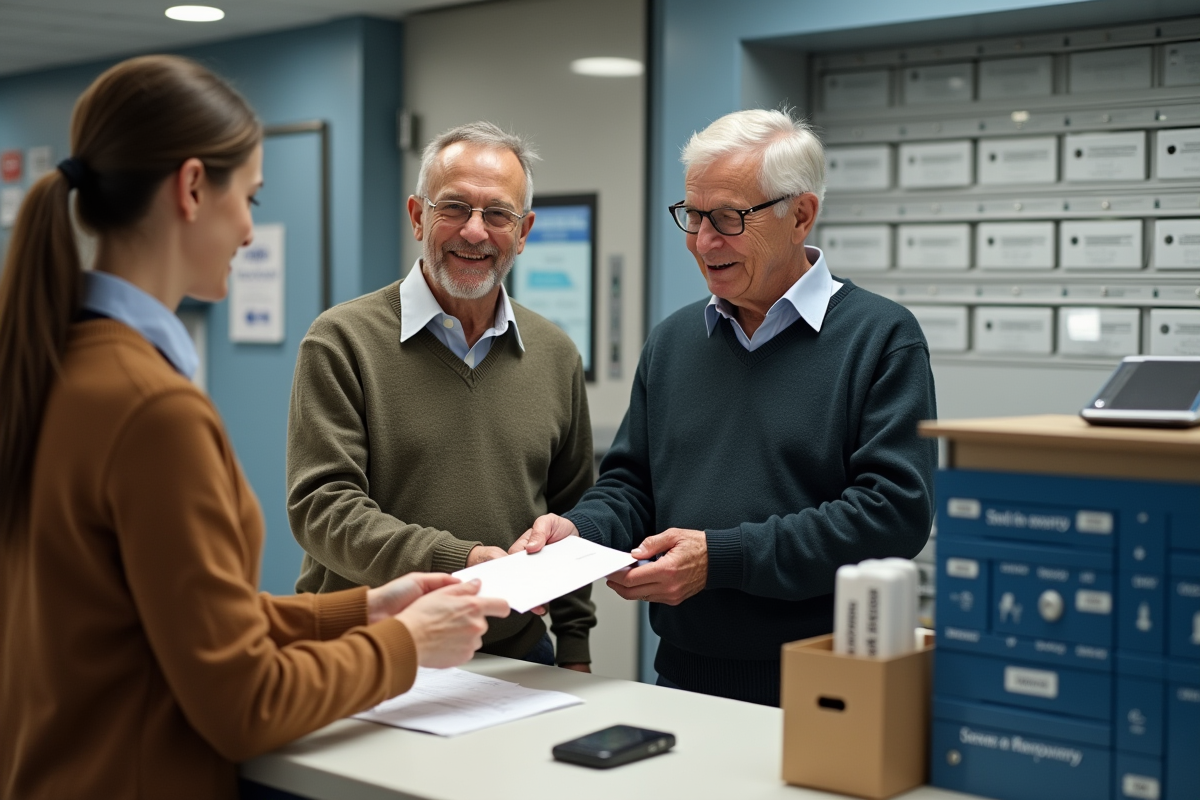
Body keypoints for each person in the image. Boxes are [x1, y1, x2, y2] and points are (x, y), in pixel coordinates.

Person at [0, 56, 509, 800]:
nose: (249, 229)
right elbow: (244, 703)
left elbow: (179, 618)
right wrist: (405, 645)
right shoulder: (152, 408)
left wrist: (363, 608)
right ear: (193, 187)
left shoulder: (58, 363)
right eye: (251, 197)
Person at [512, 108, 937, 706]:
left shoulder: (881, 337)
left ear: (802, 215)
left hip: (826, 679)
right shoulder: (674, 341)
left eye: (729, 218)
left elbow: (894, 512)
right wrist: (578, 533)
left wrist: (723, 559)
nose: (703, 241)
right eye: (693, 215)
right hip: (683, 676)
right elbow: (633, 485)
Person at [287, 122, 596, 670]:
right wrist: (462, 561)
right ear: (417, 216)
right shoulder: (341, 340)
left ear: (523, 233)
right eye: (453, 207)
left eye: (498, 214)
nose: (475, 232)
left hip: (517, 657)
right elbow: (322, 510)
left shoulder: (555, 354)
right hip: (373, 652)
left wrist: (574, 643)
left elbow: (570, 512)